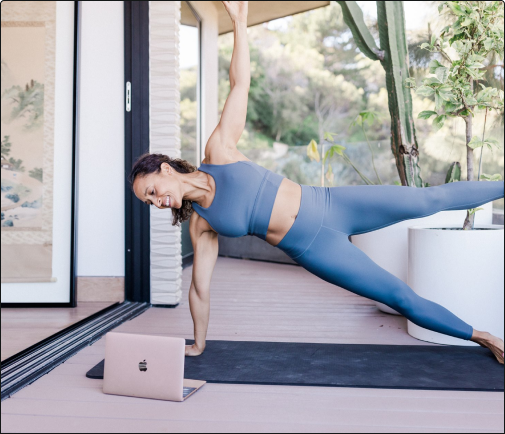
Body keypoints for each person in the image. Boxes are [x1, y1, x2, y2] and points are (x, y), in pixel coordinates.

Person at [129, 1, 504, 364]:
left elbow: (239, 83)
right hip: (313, 247)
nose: (156, 202)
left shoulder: (220, 151)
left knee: (428, 201)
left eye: (151, 192)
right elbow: (199, 288)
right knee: (398, 295)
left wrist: (240, 24)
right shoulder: (202, 223)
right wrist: (198, 342)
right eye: (149, 203)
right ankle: (484, 336)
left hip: (330, 203)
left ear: (164, 169)